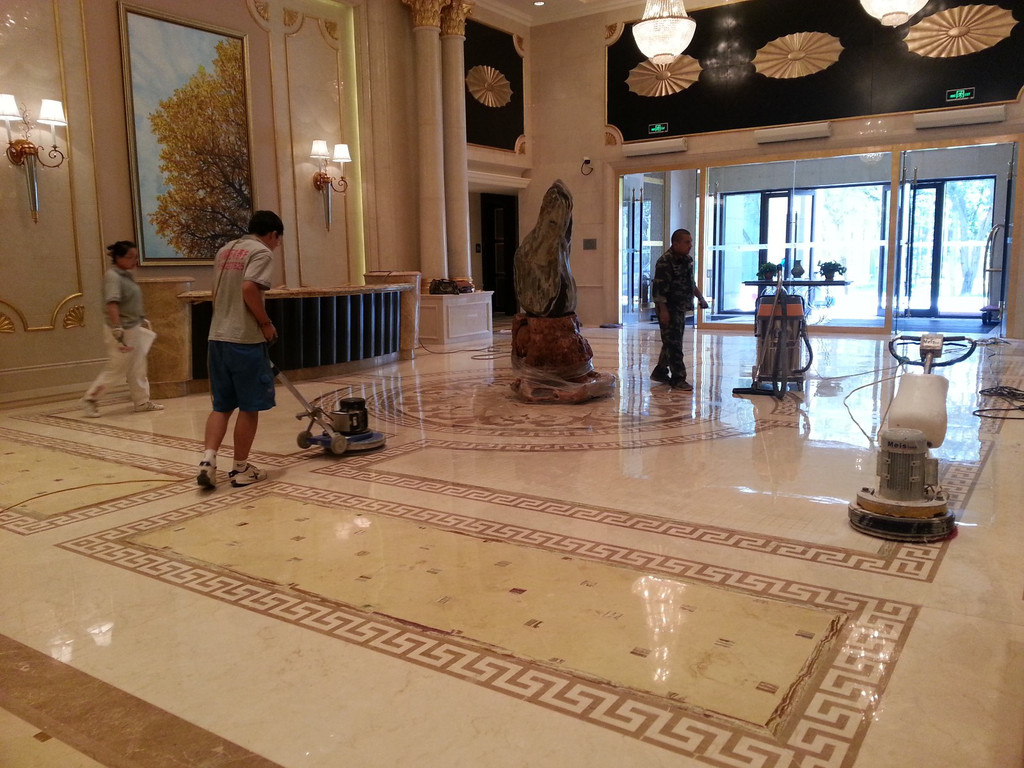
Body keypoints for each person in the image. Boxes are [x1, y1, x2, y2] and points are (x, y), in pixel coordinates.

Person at [197, 210, 283, 489]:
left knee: (221, 406)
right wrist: (266, 323)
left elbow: (216, 292)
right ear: (273, 234)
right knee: (249, 406)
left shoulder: (225, 250)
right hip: (244, 340)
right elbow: (248, 289)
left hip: (217, 338)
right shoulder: (261, 252)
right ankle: (241, 469)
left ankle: (208, 461)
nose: (277, 246)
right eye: (278, 240)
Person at [81, 241, 164, 416]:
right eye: (130, 257)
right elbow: (112, 303)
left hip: (133, 327)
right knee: (117, 367)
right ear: (118, 257)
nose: (134, 261)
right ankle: (91, 398)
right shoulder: (113, 276)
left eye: (136, 257)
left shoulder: (126, 276)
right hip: (122, 331)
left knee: (138, 366)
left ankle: (142, 401)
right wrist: (117, 326)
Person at [650, 228, 708, 392]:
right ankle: (678, 379)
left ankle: (660, 371)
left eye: (691, 242)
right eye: (687, 242)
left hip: (680, 307)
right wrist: (663, 311)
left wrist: (700, 297)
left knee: (671, 341)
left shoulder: (686, 260)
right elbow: (659, 290)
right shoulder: (665, 262)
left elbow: (690, 283)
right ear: (675, 244)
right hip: (668, 308)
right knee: (674, 344)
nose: (690, 245)